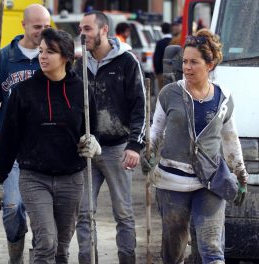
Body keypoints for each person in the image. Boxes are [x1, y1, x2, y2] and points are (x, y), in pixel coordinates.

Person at [0, 27, 99, 263]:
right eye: (41, 51)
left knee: (61, 247)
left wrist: (93, 143)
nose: (42, 56)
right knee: (46, 241)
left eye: (50, 52)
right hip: (34, 177)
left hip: (71, 178)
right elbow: (9, 139)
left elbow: (91, 129)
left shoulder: (82, 91)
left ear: (66, 57)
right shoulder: (23, 92)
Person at [141, 29, 248, 263]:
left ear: (209, 65)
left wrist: (240, 175)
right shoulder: (170, 93)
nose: (187, 68)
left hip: (210, 181)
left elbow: (230, 139)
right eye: (185, 62)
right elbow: (156, 130)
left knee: (211, 247)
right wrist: (147, 152)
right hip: (172, 183)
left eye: (194, 62)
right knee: (173, 250)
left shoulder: (224, 98)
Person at [0, 3, 50, 262]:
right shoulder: (5, 59)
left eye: (47, 26)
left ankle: (40, 256)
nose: (42, 32)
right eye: (37, 27)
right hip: (13, 149)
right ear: (24, 25)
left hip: (45, 148)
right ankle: (15, 256)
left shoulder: (52, 55)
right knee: (12, 208)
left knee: (43, 213)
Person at [75, 10, 146, 264]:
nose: (81, 34)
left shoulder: (127, 62)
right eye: (80, 29)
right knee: (83, 214)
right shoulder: (78, 65)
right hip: (87, 151)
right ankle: (86, 260)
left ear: (104, 30)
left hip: (118, 150)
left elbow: (141, 106)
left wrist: (136, 145)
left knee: (124, 214)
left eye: (87, 29)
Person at [153, 22, 172, 90]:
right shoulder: (174, 41)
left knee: (162, 93)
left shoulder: (160, 43)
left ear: (162, 30)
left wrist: (157, 71)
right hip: (173, 73)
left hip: (162, 72)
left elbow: (156, 58)